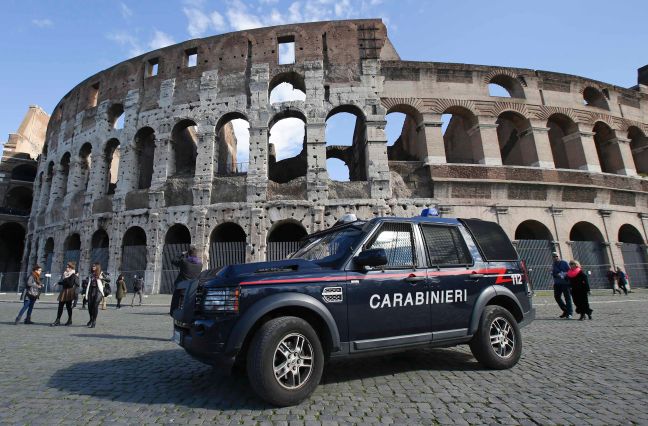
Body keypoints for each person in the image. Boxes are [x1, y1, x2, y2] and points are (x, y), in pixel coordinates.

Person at [169, 247, 203, 314]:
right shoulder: (200, 264)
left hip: (182, 285)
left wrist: (181, 254)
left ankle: (173, 310)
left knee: (176, 297)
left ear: (188, 254)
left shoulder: (184, 261)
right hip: (193, 286)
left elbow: (173, 260)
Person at [50, 262, 79, 326]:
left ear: (71, 268)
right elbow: (64, 282)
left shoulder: (73, 275)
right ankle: (57, 320)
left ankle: (70, 320)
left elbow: (70, 284)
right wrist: (58, 283)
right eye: (66, 267)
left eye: (68, 267)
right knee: (60, 306)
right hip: (64, 291)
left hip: (69, 291)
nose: (66, 268)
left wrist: (65, 278)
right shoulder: (66, 274)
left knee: (68, 307)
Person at [86, 263, 109, 328]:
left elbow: (108, 280)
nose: (93, 267)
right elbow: (88, 282)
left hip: (98, 291)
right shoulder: (91, 274)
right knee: (90, 307)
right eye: (92, 266)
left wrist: (102, 278)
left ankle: (94, 321)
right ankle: (91, 319)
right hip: (91, 291)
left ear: (97, 267)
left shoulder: (101, 273)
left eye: (94, 266)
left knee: (95, 306)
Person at [551, 252, 573, 319]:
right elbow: (553, 272)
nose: (555, 258)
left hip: (565, 283)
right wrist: (555, 274)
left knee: (567, 298)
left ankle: (569, 313)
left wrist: (564, 274)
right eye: (554, 257)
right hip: (557, 283)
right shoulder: (553, 264)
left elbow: (570, 271)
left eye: (556, 256)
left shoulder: (564, 263)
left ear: (559, 256)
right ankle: (565, 310)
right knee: (557, 297)